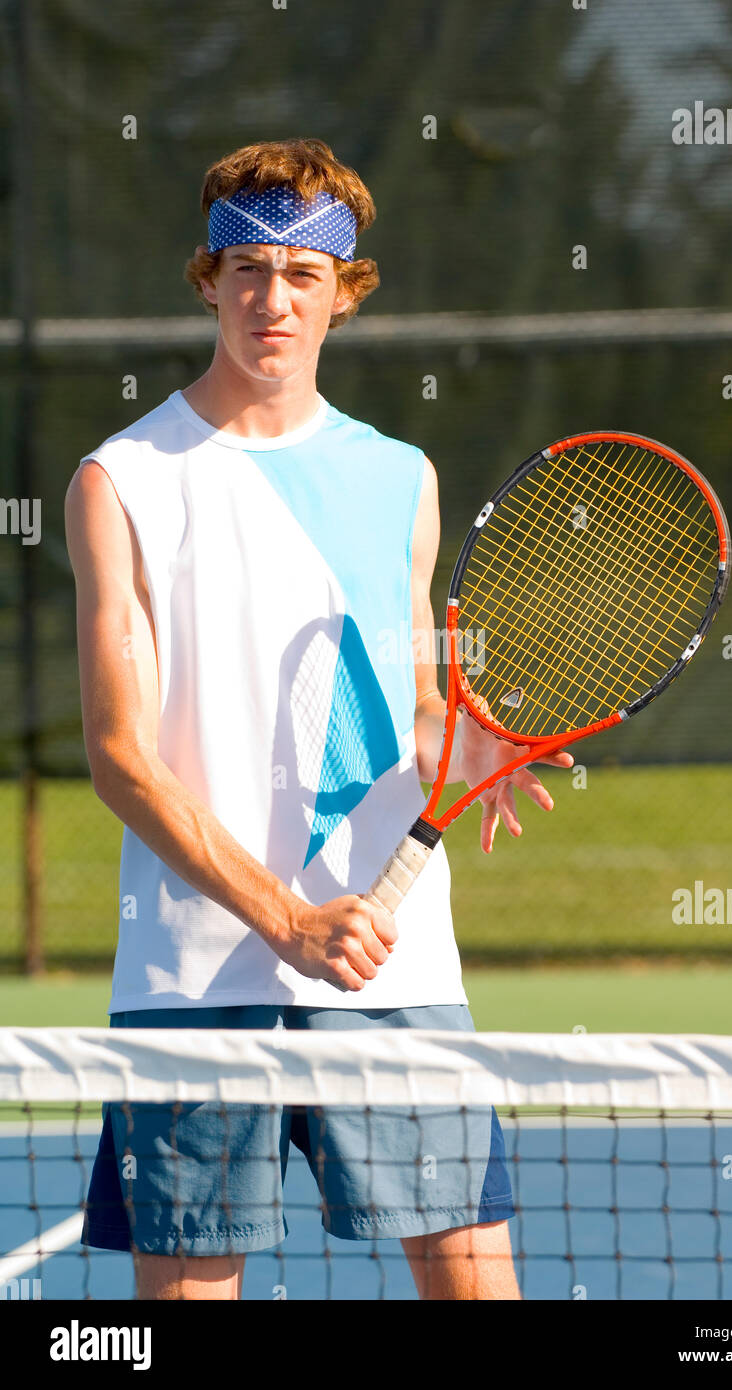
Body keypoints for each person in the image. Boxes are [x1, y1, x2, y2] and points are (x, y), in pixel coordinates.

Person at [65, 138, 572, 1301]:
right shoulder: (121, 480)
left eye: (303, 273)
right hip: (194, 980)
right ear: (207, 278)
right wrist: (287, 920)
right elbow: (120, 756)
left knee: (473, 1284)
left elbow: (411, 690)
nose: (270, 298)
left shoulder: (402, 476)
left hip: (390, 968)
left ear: (346, 292)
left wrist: (466, 738)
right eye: (246, 266)